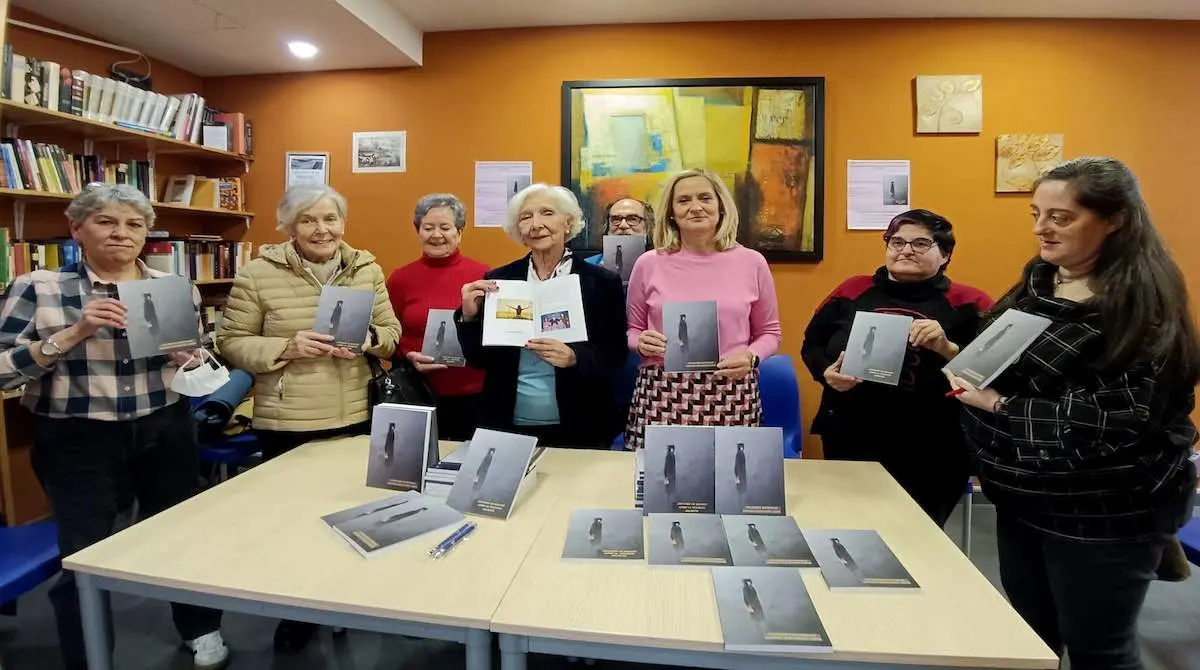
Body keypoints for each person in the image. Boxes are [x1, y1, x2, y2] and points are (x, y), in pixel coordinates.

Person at [945, 157, 1200, 670]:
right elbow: (1005, 359)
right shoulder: (1041, 280)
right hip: (1022, 497)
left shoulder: (1141, 306)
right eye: (1037, 213)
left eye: (1061, 217)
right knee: (1032, 641)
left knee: (1099, 652)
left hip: (1101, 512)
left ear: (1115, 219)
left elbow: (1119, 420)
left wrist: (999, 405)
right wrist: (959, 360)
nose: (1042, 227)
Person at [0, 184, 229, 670]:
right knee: (83, 553)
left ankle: (201, 629)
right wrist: (72, 333)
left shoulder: (173, 287)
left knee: (180, 536)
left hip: (164, 427)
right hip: (77, 438)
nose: (121, 233)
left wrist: (191, 356)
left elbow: (201, 361)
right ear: (77, 228)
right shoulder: (39, 287)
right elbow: (3, 370)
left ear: (146, 234)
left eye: (134, 224)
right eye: (106, 221)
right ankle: (87, 656)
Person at [217, 183, 400, 653]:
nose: (322, 229)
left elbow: (392, 334)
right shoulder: (258, 273)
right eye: (308, 220)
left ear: (343, 222)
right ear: (289, 227)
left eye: (330, 219)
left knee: (355, 517)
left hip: (357, 414)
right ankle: (294, 613)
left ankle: (343, 601)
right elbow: (231, 342)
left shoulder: (366, 267)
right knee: (292, 525)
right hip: (289, 419)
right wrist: (286, 347)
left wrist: (368, 341)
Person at [800, 209, 992, 526]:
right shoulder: (851, 290)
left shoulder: (971, 302)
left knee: (917, 536)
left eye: (920, 243)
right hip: (850, 435)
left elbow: (991, 370)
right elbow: (812, 344)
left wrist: (948, 348)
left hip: (933, 446)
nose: (905, 250)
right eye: (896, 241)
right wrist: (826, 374)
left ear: (944, 254)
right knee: (850, 528)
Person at [456, 183, 627, 448]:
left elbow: (615, 355)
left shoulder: (602, 282)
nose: (536, 224)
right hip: (507, 422)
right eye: (526, 217)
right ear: (519, 232)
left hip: (581, 423)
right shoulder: (499, 280)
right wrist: (469, 317)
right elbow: (479, 359)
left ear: (568, 223)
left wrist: (574, 358)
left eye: (547, 213)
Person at [625, 168, 781, 450]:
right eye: (683, 200)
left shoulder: (752, 262)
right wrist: (641, 343)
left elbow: (770, 333)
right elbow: (632, 331)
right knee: (661, 488)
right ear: (671, 212)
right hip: (663, 391)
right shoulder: (648, 264)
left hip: (731, 390)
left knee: (730, 487)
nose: (695, 207)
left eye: (705, 198)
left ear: (720, 206)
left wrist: (751, 357)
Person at [387, 193, 489, 440]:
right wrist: (407, 356)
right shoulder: (400, 279)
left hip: (475, 394)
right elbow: (388, 333)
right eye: (428, 227)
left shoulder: (484, 276)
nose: (436, 235)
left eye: (445, 227)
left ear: (460, 231)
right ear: (418, 230)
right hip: (416, 392)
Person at [584, 196, 653, 267]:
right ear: (607, 226)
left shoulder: (661, 265)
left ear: (648, 226)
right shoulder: (587, 267)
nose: (623, 225)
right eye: (616, 219)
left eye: (632, 219)